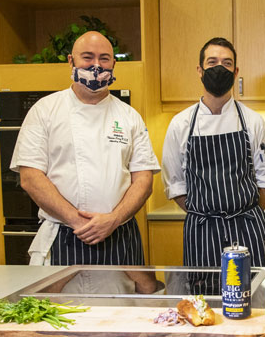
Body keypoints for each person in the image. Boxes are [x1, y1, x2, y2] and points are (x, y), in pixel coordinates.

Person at [11, 31, 160, 292]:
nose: (96, 65)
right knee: (59, 322)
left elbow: (144, 180)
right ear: (71, 61)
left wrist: (112, 219)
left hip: (119, 236)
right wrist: (78, 222)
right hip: (63, 236)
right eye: (87, 57)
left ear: (113, 64)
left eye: (104, 59)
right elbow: (30, 177)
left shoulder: (129, 116)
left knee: (121, 321)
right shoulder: (45, 111)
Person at [161, 37, 265, 293]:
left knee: (253, 297)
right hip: (202, 230)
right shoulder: (180, 124)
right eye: (212, 62)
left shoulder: (252, 122)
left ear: (236, 72)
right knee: (204, 299)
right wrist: (205, 213)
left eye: (227, 63)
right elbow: (176, 185)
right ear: (200, 70)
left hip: (248, 227)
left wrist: (240, 215)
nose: (219, 68)